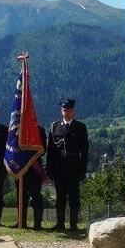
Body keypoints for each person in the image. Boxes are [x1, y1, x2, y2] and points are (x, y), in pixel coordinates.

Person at [46, 98, 90, 232]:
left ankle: (73, 224)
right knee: (60, 197)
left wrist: (83, 170)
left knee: (74, 197)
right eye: (65, 110)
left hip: (74, 167)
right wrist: (49, 169)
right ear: (61, 111)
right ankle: (60, 224)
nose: (67, 113)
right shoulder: (54, 127)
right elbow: (51, 151)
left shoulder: (80, 127)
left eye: (69, 110)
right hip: (59, 167)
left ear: (73, 111)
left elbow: (84, 151)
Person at [20, 124, 47, 231]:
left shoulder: (39, 129)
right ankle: (21, 221)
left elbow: (44, 149)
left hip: (34, 169)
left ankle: (37, 222)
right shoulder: (16, 130)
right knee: (21, 195)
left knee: (36, 196)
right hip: (20, 167)